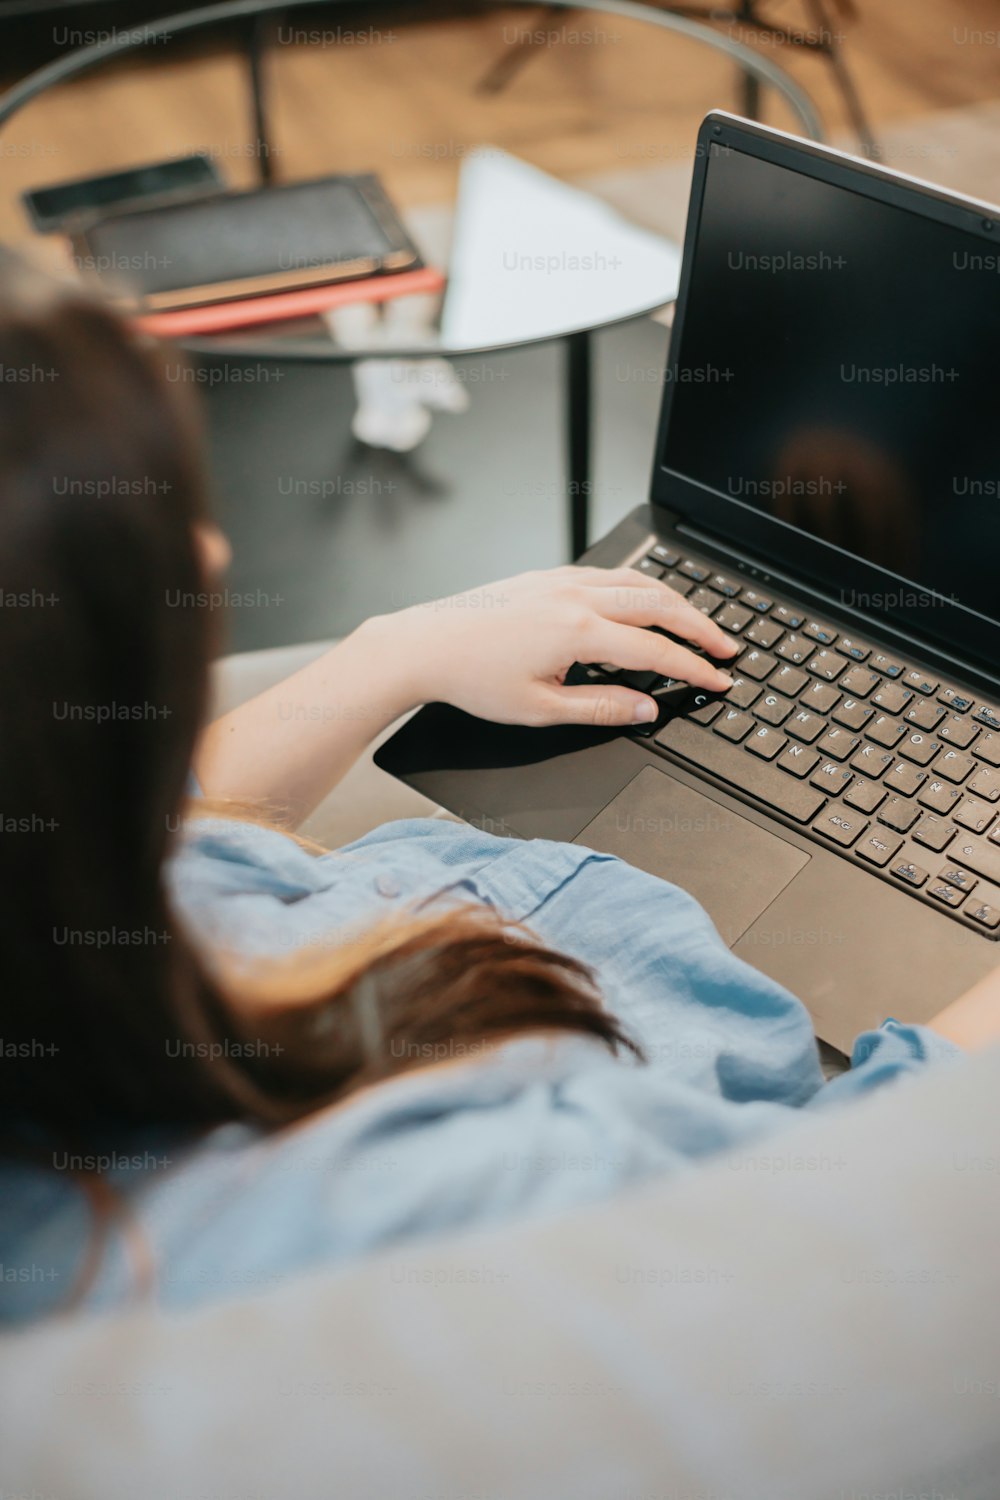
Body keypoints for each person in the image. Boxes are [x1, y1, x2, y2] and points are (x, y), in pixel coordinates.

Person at [0, 265, 994, 1327]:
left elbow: (125, 830)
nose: (208, 549)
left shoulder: (59, 936)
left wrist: (394, 654)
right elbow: (845, 1235)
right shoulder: (455, 1193)